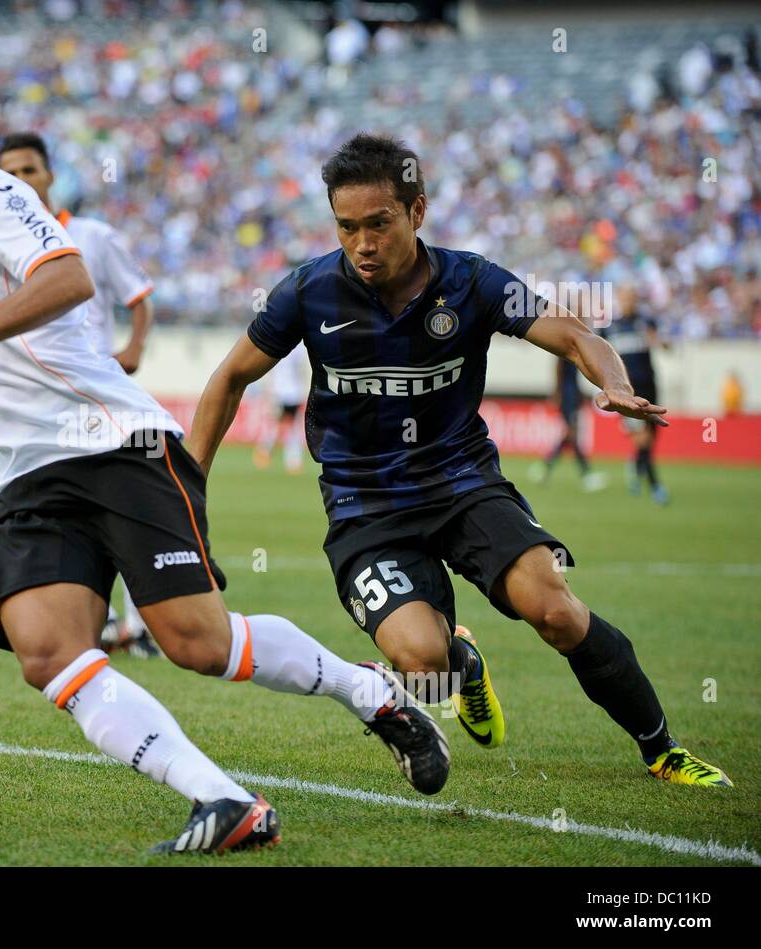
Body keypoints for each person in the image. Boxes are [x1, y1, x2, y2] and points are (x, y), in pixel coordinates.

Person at [0, 65, 453, 854]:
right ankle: (225, 800)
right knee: (46, 653)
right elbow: (18, 359)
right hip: (31, 477)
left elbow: (67, 280)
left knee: (200, 644)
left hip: (111, 446)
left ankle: (373, 694)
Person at [188, 133, 730, 787]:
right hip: (367, 508)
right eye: (347, 227)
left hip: (463, 483)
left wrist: (609, 379)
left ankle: (662, 749)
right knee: (423, 665)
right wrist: (187, 485)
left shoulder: (472, 280)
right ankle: (462, 665)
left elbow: (574, 334)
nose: (362, 243)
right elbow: (227, 380)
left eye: (379, 224)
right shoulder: (307, 292)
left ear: (417, 211)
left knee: (554, 609)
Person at [0, 130, 159, 658]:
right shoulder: (0, 246)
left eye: (29, 170)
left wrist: (133, 345)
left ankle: (146, 623)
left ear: (49, 176)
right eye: (9, 174)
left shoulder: (93, 235)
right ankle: (105, 621)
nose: (21, 181)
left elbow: (139, 295)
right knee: (58, 509)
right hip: (38, 401)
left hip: (95, 393)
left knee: (125, 504)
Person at [602, 285, 668, 504]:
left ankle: (636, 465)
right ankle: (656, 486)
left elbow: (662, 343)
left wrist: (660, 341)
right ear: (619, 300)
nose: (629, 302)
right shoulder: (611, 328)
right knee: (643, 440)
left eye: (632, 297)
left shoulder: (646, 323)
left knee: (651, 439)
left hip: (650, 386)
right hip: (628, 393)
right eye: (625, 297)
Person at [529, 355, 607, 491]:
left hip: (572, 395)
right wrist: (558, 392)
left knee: (571, 436)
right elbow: (558, 368)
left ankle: (545, 468)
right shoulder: (565, 351)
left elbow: (572, 376)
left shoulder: (573, 351)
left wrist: (579, 392)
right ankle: (585, 474)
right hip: (567, 396)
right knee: (572, 434)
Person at [254, 343, 309, 474]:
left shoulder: (279, 342)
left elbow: (269, 368)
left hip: (280, 392)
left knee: (276, 425)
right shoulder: (300, 347)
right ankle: (293, 461)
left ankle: (265, 453)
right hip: (293, 392)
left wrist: (268, 390)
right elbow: (303, 370)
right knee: (292, 427)